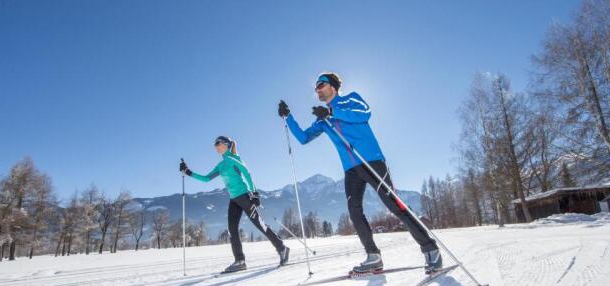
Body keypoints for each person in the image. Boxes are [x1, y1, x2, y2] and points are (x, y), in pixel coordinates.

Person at [278, 72, 442, 275]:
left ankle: (430, 249)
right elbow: (303, 138)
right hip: (351, 168)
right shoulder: (322, 120)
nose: (317, 89)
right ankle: (373, 256)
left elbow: (364, 113)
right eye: (315, 87)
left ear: (333, 86)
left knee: (394, 204)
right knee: (354, 211)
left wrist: (333, 113)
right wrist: (288, 117)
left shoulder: (350, 99)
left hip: (371, 159)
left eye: (321, 84)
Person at [180, 136, 290, 273]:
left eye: (218, 143)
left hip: (244, 196)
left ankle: (282, 248)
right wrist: (188, 172)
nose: (216, 146)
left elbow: (247, 174)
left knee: (259, 225)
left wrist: (254, 193)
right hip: (234, 200)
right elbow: (206, 179)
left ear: (226, 145)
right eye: (215, 144)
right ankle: (240, 261)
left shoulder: (233, 159)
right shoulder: (221, 165)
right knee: (232, 229)